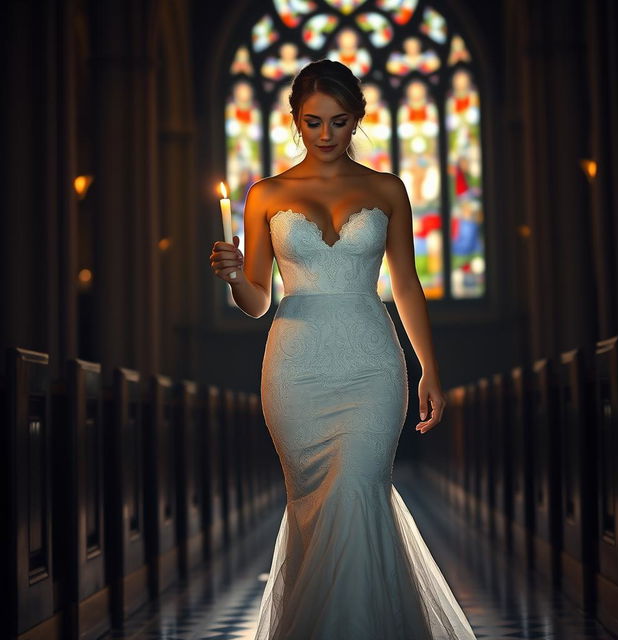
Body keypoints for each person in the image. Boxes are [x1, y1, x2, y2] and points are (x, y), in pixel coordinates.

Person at [210, 59, 477, 640]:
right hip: (294, 369)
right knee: (315, 509)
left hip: (373, 366)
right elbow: (258, 302)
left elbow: (405, 284)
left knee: (358, 489)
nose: (325, 135)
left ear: (356, 119)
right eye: (313, 122)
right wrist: (234, 277)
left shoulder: (387, 190)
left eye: (338, 121)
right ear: (295, 122)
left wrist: (428, 366)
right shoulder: (265, 195)